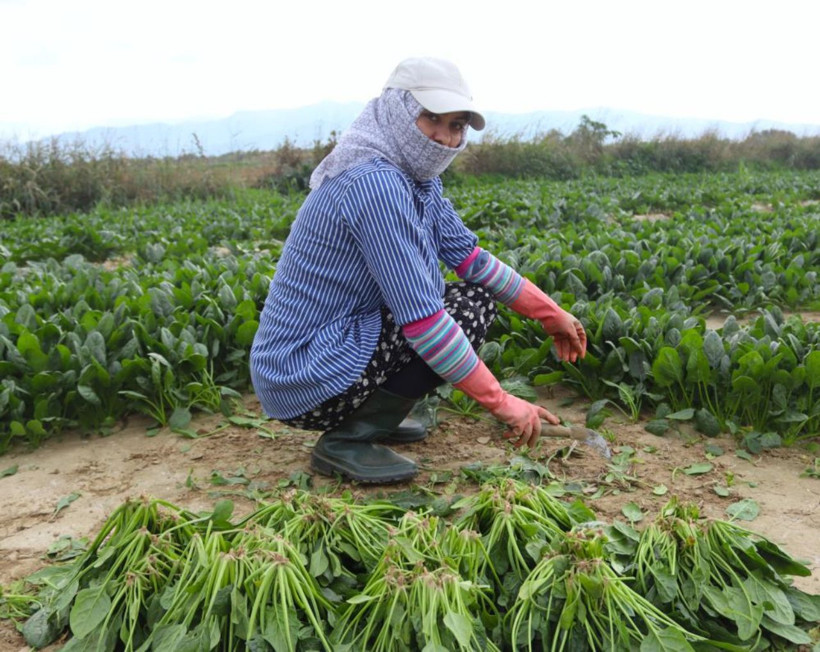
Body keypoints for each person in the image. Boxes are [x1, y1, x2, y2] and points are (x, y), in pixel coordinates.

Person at [250, 57, 586, 484]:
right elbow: (424, 322)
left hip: (327, 347)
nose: (446, 139)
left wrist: (549, 312)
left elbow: (471, 259)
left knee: (472, 298)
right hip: (302, 373)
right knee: (458, 314)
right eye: (431, 118)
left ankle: (377, 418)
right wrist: (504, 403)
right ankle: (348, 439)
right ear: (397, 111)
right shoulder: (375, 183)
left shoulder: (414, 180)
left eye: (458, 125)